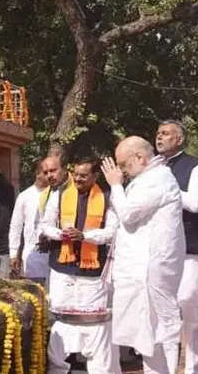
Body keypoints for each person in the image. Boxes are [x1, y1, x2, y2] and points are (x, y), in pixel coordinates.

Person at [103, 137, 185, 374]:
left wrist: (115, 185)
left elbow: (128, 214)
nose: (121, 172)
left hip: (153, 268)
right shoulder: (147, 178)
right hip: (142, 269)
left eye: (123, 165)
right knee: (147, 335)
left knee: (161, 331)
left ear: (139, 157)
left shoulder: (157, 179)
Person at [39, 156, 119, 374]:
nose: (78, 179)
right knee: (61, 318)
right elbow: (45, 225)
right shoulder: (60, 194)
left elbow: (112, 231)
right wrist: (62, 234)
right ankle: (59, 368)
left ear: (95, 176)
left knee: (93, 322)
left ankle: (97, 368)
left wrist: (84, 236)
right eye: (75, 174)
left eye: (84, 175)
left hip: (92, 270)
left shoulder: (108, 197)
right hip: (62, 266)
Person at [156, 119, 198, 374]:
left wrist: (167, 188)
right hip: (158, 250)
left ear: (179, 139)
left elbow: (196, 203)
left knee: (192, 316)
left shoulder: (196, 166)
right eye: (158, 133)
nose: (159, 137)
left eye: (165, 134)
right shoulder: (152, 166)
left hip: (189, 249)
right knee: (163, 315)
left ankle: (194, 370)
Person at [8, 161, 51, 281]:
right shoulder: (25, 196)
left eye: (51, 172)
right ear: (37, 174)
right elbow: (16, 226)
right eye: (45, 172)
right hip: (33, 255)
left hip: (54, 256)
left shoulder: (57, 194)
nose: (49, 176)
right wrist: (13, 253)